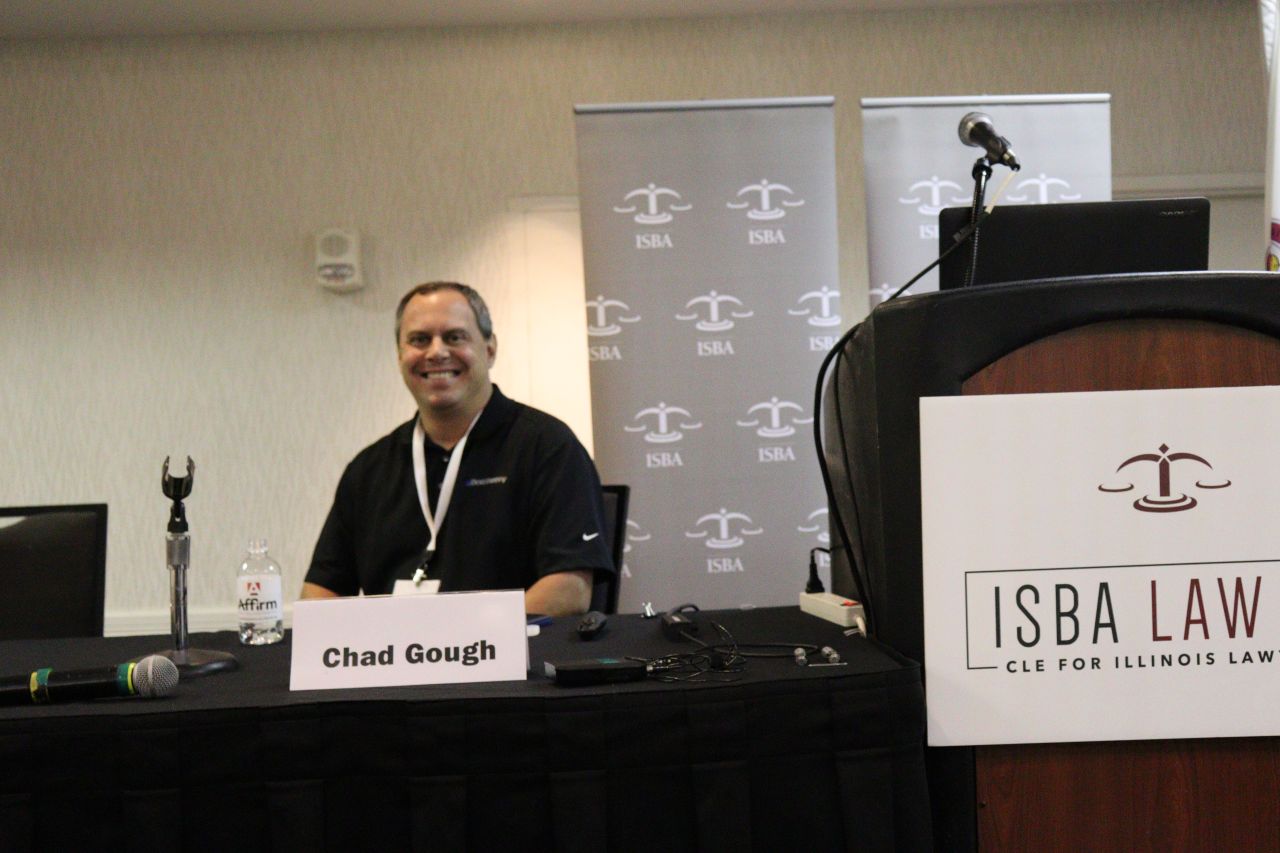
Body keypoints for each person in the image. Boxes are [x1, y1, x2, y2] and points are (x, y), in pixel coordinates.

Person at [301, 281, 612, 616]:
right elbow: (320, 594)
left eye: (454, 337)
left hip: (511, 649)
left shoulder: (548, 448)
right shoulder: (368, 470)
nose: (436, 352)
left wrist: (459, 639)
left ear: (490, 349)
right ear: (400, 355)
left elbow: (569, 590)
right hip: (393, 649)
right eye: (419, 340)